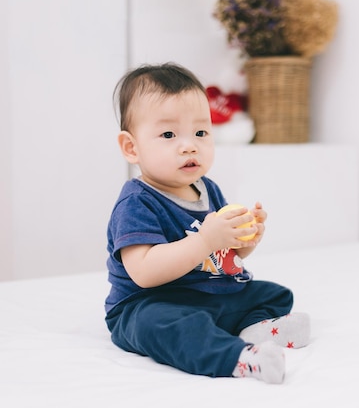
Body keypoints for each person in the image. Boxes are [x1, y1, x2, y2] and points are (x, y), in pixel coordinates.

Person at [104, 62, 310, 384]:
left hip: (207, 295)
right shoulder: (137, 202)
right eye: (169, 134)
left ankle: (252, 330)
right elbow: (143, 273)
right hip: (150, 304)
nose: (189, 145)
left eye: (201, 132)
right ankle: (237, 358)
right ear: (132, 147)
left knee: (274, 294)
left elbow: (225, 259)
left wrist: (245, 239)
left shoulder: (207, 188)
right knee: (165, 325)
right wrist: (204, 240)